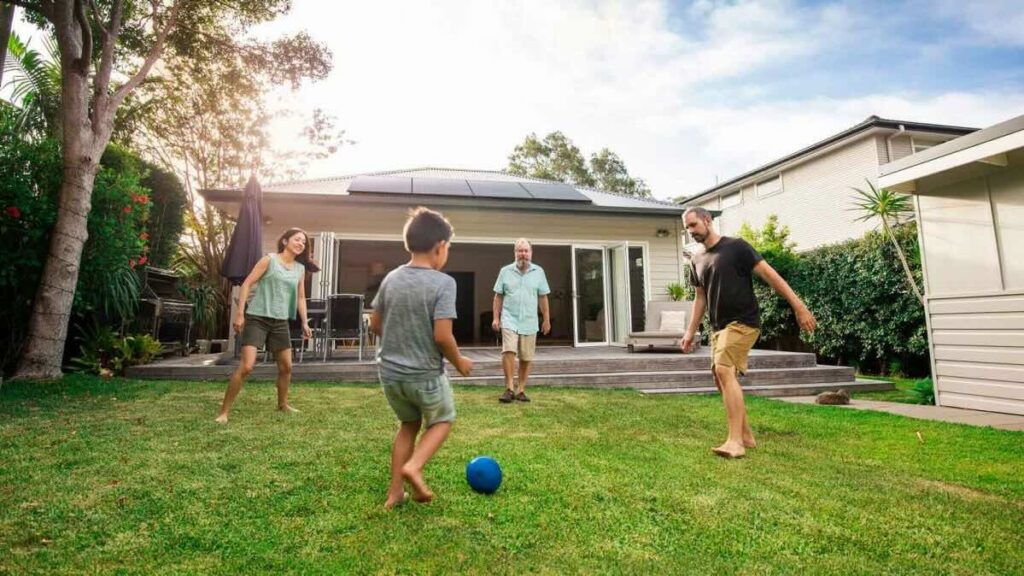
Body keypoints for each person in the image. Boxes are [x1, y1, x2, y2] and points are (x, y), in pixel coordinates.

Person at [680, 207, 816, 458]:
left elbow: (771, 276)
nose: (691, 232)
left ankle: (735, 443)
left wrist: (799, 307)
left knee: (723, 369)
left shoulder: (737, 247)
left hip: (744, 322)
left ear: (708, 221)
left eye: (694, 225)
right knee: (719, 377)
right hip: (719, 327)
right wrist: (690, 332)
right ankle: (745, 435)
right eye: (687, 228)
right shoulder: (696, 259)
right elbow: (700, 297)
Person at [370, 207, 474, 509]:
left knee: (408, 425)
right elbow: (442, 336)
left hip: (390, 375)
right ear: (440, 247)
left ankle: (394, 494)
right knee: (442, 420)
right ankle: (414, 467)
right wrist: (460, 362)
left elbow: (375, 324)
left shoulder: (390, 279)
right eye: (449, 248)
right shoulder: (444, 284)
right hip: (425, 375)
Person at [215, 228, 317, 424]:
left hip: (280, 321)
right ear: (285, 241)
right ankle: (224, 412)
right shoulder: (269, 260)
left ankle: (282, 404)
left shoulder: (299, 269)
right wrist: (240, 313)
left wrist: (304, 321)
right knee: (247, 366)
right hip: (257, 318)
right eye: (297, 240)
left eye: (303, 242)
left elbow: (301, 297)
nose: (300, 244)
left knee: (286, 367)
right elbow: (246, 284)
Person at [492, 238, 551, 403]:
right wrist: (496, 318)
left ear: (531, 253)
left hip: (529, 320)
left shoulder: (539, 272)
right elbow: (498, 296)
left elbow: (543, 297)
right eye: (520, 250)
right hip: (509, 318)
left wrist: (546, 320)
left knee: (526, 356)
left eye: (526, 251)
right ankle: (509, 388)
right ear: (515, 252)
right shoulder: (505, 271)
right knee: (508, 350)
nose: (523, 254)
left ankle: (521, 389)